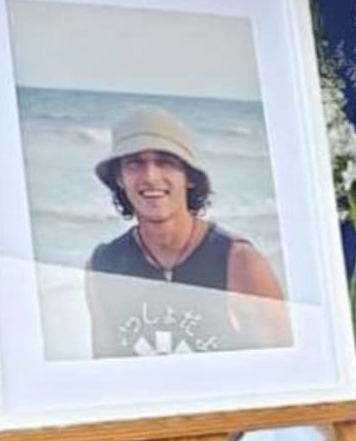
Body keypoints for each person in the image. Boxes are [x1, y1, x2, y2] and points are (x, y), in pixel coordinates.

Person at [87, 105, 291, 358]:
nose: (150, 176)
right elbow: (105, 366)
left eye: (165, 162)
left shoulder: (239, 261)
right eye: (134, 164)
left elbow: (282, 364)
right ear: (119, 178)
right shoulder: (103, 265)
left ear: (190, 177)